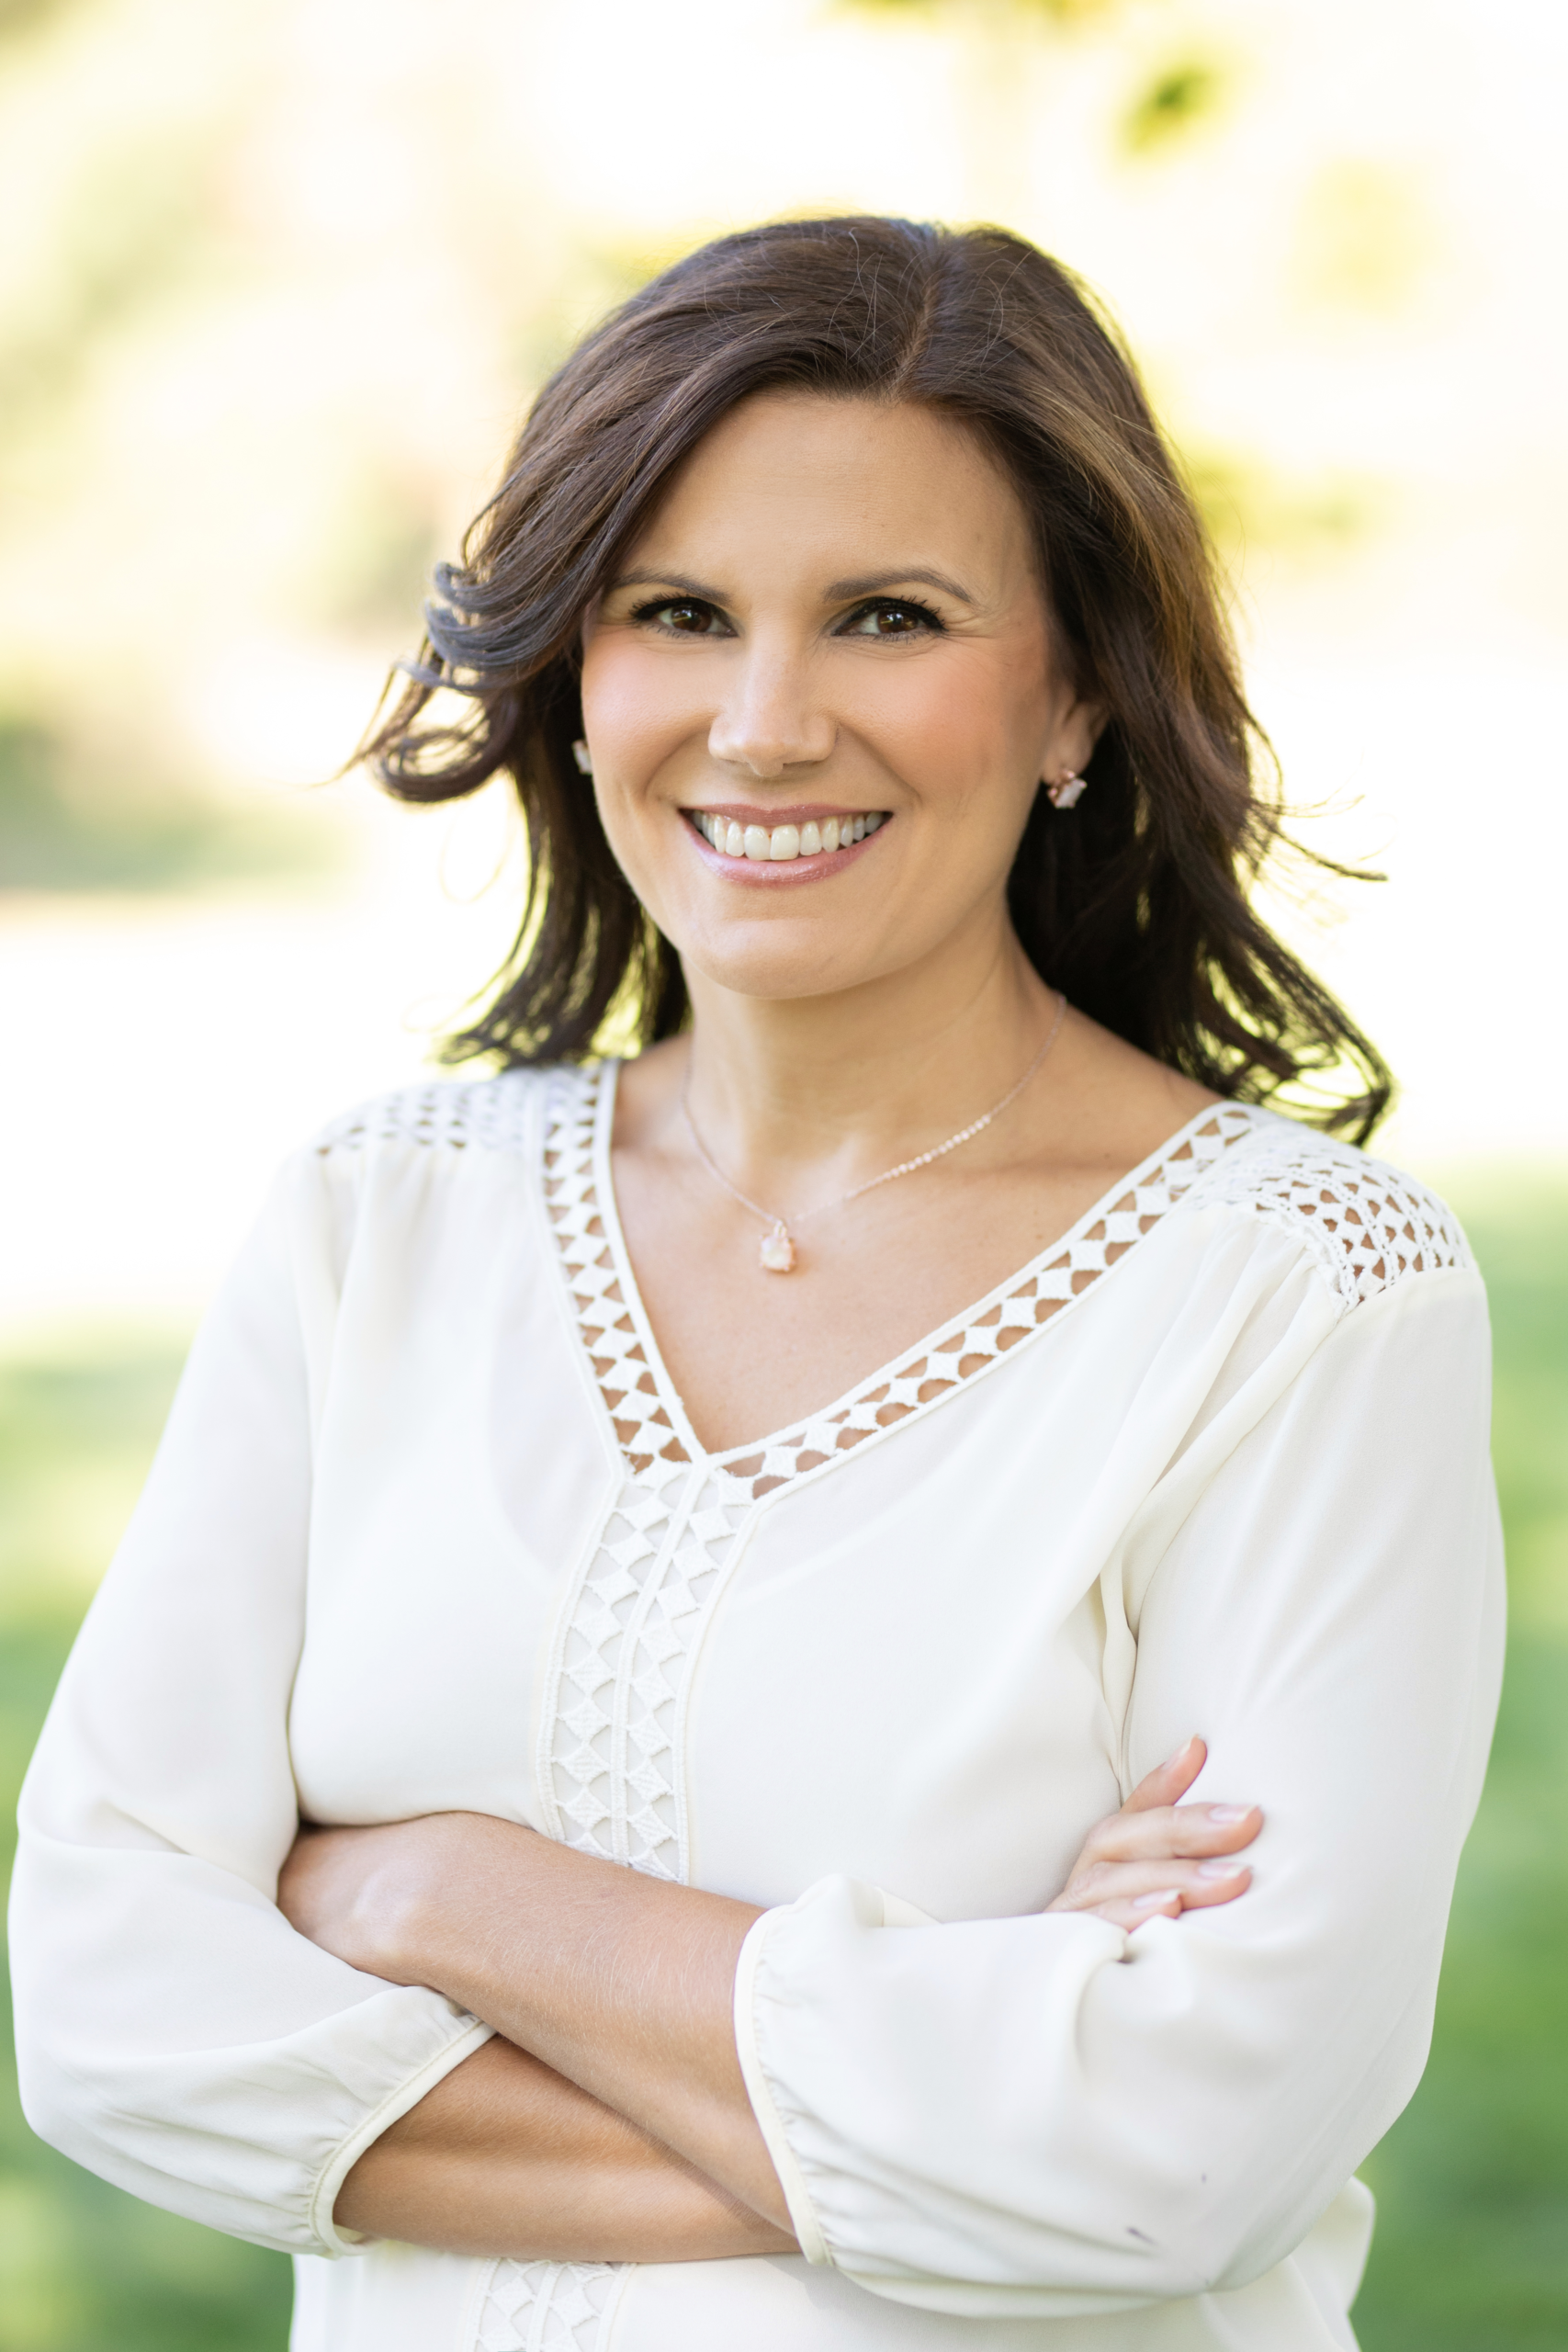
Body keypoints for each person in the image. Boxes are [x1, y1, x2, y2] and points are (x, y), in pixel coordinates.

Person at [10, 217, 1503, 2352]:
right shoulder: (377, 1219)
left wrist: (436, 1890)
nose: (766, 721)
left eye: (888, 616)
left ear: (1078, 687)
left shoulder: (1298, 1293)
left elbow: (1179, 2144)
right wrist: (957, 2084)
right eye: (678, 613)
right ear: (575, 675)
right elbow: (102, 2008)